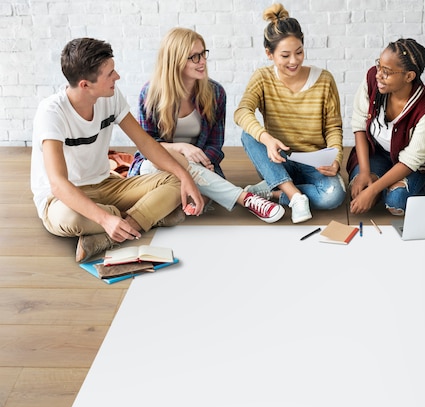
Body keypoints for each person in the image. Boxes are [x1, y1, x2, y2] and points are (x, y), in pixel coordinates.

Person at [30, 37, 205, 263]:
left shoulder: (110, 97)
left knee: (175, 180)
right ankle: (143, 217)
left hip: (107, 185)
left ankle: (110, 235)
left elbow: (146, 143)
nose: (117, 77)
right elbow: (58, 184)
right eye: (110, 74)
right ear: (85, 85)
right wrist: (104, 218)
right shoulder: (51, 112)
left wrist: (184, 176)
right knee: (70, 217)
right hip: (62, 198)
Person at [128, 28, 284, 223]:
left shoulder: (216, 93)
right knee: (164, 172)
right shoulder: (150, 94)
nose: (202, 61)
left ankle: (170, 211)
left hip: (202, 169)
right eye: (193, 57)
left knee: (195, 200)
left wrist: (203, 162)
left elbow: (214, 145)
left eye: (203, 54)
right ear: (175, 60)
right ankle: (245, 198)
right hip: (156, 164)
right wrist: (182, 148)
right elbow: (146, 145)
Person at [234, 3, 346, 223]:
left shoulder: (324, 79)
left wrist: (336, 159)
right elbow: (242, 111)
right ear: (269, 54)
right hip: (278, 160)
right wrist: (267, 139)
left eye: (299, 52)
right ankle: (295, 196)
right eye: (285, 55)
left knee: (334, 196)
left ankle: (273, 192)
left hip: (313, 161)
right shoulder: (263, 78)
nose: (294, 61)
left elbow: (333, 127)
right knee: (249, 134)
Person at [347, 38, 425, 216]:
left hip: (408, 164)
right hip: (378, 153)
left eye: (386, 71)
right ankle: (381, 180)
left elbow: (411, 159)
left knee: (395, 204)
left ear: (409, 76)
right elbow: (359, 125)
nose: (378, 74)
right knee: (357, 190)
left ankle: (422, 181)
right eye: (379, 66)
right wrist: (365, 173)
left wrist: (373, 190)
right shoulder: (373, 81)